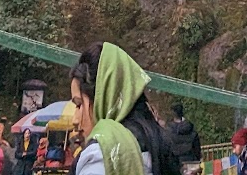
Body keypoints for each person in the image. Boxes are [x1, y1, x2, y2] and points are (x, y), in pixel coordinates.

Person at [70, 42, 179, 175]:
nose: (75, 120)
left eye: (79, 105)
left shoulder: (101, 155)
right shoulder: (159, 142)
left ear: (103, 98)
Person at [166, 104, 202, 174]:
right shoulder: (191, 129)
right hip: (191, 162)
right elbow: (197, 149)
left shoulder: (168, 131)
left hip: (176, 165)